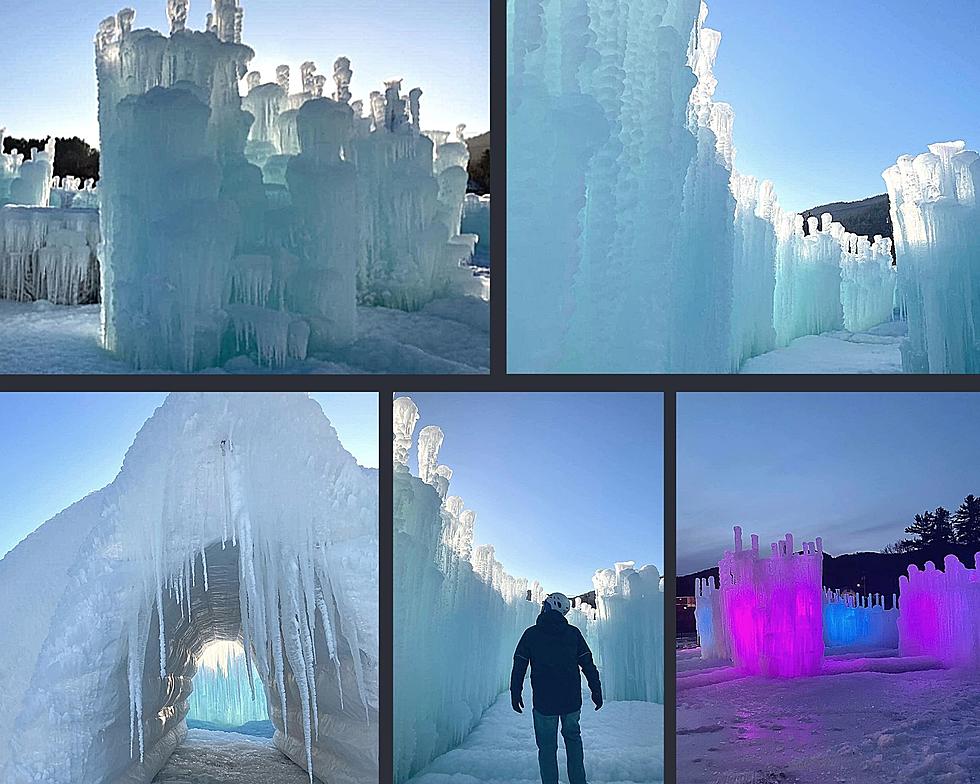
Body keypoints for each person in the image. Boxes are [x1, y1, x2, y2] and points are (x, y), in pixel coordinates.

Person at [510, 592, 602, 784]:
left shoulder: (531, 634)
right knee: (573, 741)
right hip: (571, 701)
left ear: (550, 606)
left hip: (544, 702)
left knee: (547, 748)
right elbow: (588, 663)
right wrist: (596, 689)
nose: (543, 606)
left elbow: (519, 664)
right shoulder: (573, 633)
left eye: (545, 603)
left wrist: (515, 690)